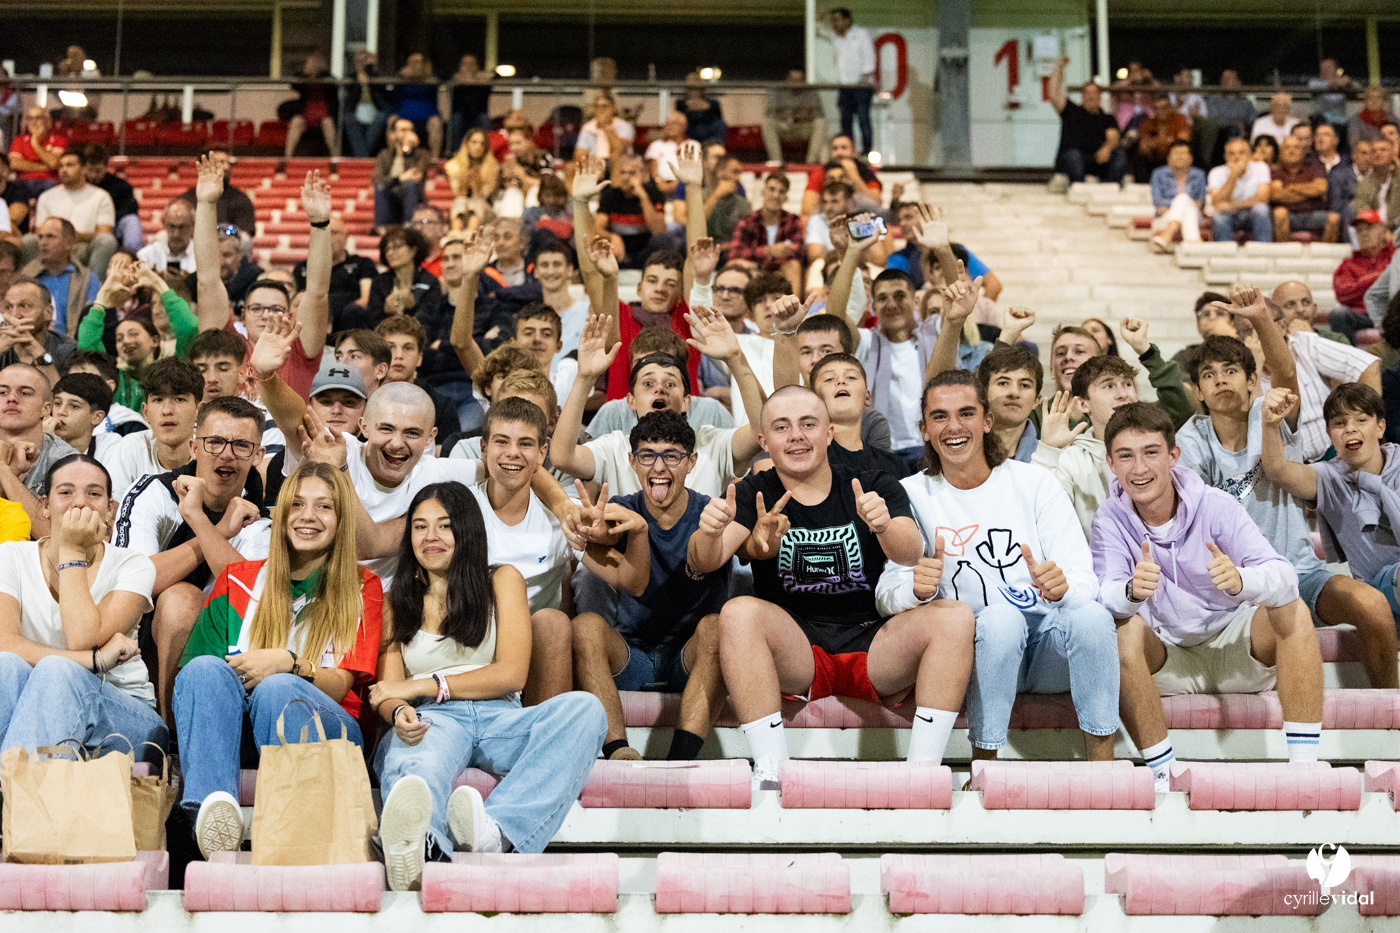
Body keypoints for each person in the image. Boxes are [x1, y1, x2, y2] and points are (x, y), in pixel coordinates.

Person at [691, 386, 973, 790]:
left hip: (872, 641)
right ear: (763, 442)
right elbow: (706, 559)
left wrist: (883, 525)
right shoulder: (756, 491)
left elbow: (910, 551)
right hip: (798, 648)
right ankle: (771, 772)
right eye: (781, 427)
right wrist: (708, 530)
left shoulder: (871, 481)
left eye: (808, 424)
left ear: (829, 434)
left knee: (955, 618)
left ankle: (923, 774)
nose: (796, 436)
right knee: (737, 612)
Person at [370, 481, 604, 890]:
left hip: (501, 716)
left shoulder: (501, 580)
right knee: (415, 761)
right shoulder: (397, 599)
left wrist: (424, 683)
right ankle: (423, 847)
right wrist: (399, 711)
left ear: (467, 531)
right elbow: (389, 690)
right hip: (433, 719)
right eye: (420, 527)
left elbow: (511, 673)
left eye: (444, 526)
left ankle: (496, 833)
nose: (431, 537)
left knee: (585, 711)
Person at [878, 369, 1118, 761]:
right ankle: (984, 763)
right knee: (999, 620)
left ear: (987, 421)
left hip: (1046, 648)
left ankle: (1102, 765)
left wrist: (1063, 586)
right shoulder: (910, 494)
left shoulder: (1035, 483)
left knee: (1091, 616)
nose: (953, 426)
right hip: (971, 654)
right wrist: (916, 589)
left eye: (966, 413)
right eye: (940, 416)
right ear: (923, 429)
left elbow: (1082, 577)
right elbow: (886, 595)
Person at [1097, 402, 1324, 791]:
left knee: (1293, 610)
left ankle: (1303, 771)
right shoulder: (1108, 518)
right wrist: (1132, 591)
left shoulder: (1217, 504)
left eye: (1151, 453)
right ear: (1111, 464)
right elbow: (1105, 597)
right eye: (1126, 456)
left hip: (1237, 644)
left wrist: (1240, 581)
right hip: (1169, 658)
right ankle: (1164, 776)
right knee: (1119, 631)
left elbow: (1284, 575)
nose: (1139, 468)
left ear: (1173, 456)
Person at [172, 460, 381, 859]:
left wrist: (289, 663)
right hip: (238, 730)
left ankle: (298, 833)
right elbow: (199, 683)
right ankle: (209, 819)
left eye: (324, 506)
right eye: (298, 504)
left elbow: (340, 685)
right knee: (203, 670)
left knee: (279, 688)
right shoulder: (236, 579)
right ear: (281, 514)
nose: (308, 517)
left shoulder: (363, 587)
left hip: (329, 729)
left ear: (341, 519)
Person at [1177, 328, 1397, 689]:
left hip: (1301, 575)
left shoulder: (1272, 412)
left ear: (1252, 380)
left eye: (1230, 370)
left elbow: (1287, 374)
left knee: (1372, 605)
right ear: (1198, 392)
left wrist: (1262, 317)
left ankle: (1392, 716)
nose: (1220, 380)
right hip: (1237, 588)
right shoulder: (1190, 441)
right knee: (1278, 627)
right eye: (1208, 374)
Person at [569, 409, 730, 763]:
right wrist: (585, 531)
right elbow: (594, 539)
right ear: (632, 461)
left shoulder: (712, 514)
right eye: (647, 456)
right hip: (632, 652)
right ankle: (618, 752)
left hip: (691, 656)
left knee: (719, 628)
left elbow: (748, 547)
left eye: (671, 456)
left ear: (691, 462)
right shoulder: (618, 512)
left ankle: (678, 759)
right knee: (584, 627)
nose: (658, 467)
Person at [0, 455, 163, 760]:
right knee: (5, 667)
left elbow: (82, 637)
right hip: (38, 710)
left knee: (57, 671)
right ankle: (16, 794)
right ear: (45, 506)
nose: (79, 503)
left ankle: (25, 798)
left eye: (93, 493)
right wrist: (96, 660)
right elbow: (5, 644)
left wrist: (72, 550)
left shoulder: (133, 564)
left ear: (109, 509)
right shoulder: (9, 556)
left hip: (126, 717)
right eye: (65, 492)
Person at [553, 310, 765, 499]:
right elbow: (563, 457)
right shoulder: (613, 448)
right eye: (648, 383)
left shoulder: (712, 443)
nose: (660, 388)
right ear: (631, 400)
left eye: (670, 383)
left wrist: (735, 358)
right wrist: (584, 378)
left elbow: (761, 430)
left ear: (685, 402)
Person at [194, 159, 330, 401]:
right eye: (257, 308)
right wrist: (206, 203)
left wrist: (320, 223)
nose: (266, 315)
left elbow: (317, 292)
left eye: (275, 309)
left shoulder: (300, 352)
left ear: (290, 316)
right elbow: (207, 280)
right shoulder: (228, 346)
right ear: (243, 315)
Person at [1268, 281, 1381, 460]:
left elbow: (1349, 387)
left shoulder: (1333, 339)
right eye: (1290, 305)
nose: (1300, 310)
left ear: (1315, 308)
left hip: (1332, 444)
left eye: (1305, 303)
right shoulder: (1256, 359)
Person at [100, 357, 201, 498]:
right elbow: (112, 513)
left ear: (198, 410)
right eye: (158, 400)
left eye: (179, 399)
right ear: (145, 412)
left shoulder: (212, 453)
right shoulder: (130, 448)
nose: (167, 410)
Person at [27, 152, 115, 280]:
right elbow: (39, 230)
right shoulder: (47, 196)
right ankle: (31, 287)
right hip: (52, 245)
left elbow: (104, 232)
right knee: (28, 240)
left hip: (83, 248)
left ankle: (94, 290)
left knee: (107, 240)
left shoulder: (101, 197)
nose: (63, 170)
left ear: (84, 169)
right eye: (61, 166)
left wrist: (74, 238)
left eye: (70, 165)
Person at [376, 315, 462, 444]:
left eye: (408, 348)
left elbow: (447, 460)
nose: (399, 355)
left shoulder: (440, 406)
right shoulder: (362, 401)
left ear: (420, 358)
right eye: (390, 347)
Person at [343, 225, 441, 332]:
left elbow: (430, 323)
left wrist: (412, 308)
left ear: (413, 250)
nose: (390, 253)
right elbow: (373, 324)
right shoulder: (380, 282)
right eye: (387, 249)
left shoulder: (429, 281)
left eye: (397, 246)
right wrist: (385, 312)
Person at [1047, 57, 1123, 187]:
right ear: (1083, 96)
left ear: (1099, 96)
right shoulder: (1071, 110)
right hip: (1072, 162)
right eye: (1087, 93)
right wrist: (1058, 68)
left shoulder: (1107, 118)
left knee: (1119, 156)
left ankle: (1111, 189)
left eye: (1094, 93)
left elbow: (1113, 138)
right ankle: (1079, 189)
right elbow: (1054, 94)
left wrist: (1107, 147)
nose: (1091, 96)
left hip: (1097, 161)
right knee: (1073, 155)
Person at [727, 172, 802, 296]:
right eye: (771, 189)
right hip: (754, 269)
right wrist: (769, 251)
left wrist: (768, 259)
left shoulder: (793, 221)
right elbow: (735, 254)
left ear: (786, 198)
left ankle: (793, 309)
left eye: (781, 192)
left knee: (794, 265)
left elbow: (797, 252)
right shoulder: (748, 221)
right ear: (763, 192)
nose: (776, 195)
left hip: (780, 272)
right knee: (738, 264)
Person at [293, 215, 376, 325]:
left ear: (346, 237)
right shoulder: (303, 268)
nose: (327, 237)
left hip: (348, 320)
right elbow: (294, 302)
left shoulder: (362, 264)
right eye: (322, 233)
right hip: (311, 322)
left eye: (334, 232)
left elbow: (366, 300)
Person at [21, 218, 99, 336]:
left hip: (74, 345)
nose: (43, 242)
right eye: (40, 237)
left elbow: (94, 320)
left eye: (50, 236)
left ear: (68, 243)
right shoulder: (27, 277)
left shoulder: (87, 279)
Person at [1331, 212, 1395, 342]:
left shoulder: (1395, 255)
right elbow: (1342, 294)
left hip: (1393, 313)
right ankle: (1347, 361)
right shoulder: (1348, 265)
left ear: (1383, 230)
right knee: (1338, 315)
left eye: (1370, 228)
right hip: (1363, 314)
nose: (1364, 234)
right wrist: (1378, 278)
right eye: (1359, 230)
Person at [821, 8, 877, 155]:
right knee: (846, 121)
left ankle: (866, 152)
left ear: (847, 20)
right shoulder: (835, 36)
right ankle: (849, 152)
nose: (834, 23)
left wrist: (865, 76)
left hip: (861, 85)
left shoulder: (861, 34)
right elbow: (818, 29)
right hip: (845, 86)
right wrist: (820, 14)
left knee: (863, 119)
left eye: (837, 20)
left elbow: (869, 56)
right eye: (832, 20)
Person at [976, 344, 1043, 463]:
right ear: (983, 393)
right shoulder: (962, 451)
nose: (1014, 392)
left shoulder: (1047, 457)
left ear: (1036, 401)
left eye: (1025, 385)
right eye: (1003, 383)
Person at [0, 277, 74, 377]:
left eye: (24, 306)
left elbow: (59, 392)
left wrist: (36, 350)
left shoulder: (68, 351)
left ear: (48, 312)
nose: (14, 315)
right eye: (8, 307)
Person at [1271, 135, 1339, 243]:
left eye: (1296, 148)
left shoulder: (1314, 167)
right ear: (1281, 152)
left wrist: (1291, 188)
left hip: (1314, 214)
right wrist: (1308, 190)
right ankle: (1284, 256)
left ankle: (1324, 257)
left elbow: (1321, 188)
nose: (1292, 151)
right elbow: (1277, 195)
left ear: (1302, 151)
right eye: (1287, 148)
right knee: (1279, 213)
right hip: (1289, 215)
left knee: (1334, 218)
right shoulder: (1275, 171)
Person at [175, 148, 255, 236]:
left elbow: (245, 234)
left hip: (228, 245)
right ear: (205, 165)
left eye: (228, 163)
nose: (226, 168)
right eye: (220, 162)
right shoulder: (186, 199)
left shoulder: (241, 199)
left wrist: (225, 231)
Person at [1208, 138, 1272, 243]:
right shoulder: (1216, 172)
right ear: (1226, 157)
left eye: (1241, 153)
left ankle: (1263, 251)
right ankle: (1225, 254)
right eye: (1231, 154)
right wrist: (1233, 176)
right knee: (1219, 215)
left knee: (1262, 209)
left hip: (1251, 212)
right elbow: (1217, 202)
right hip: (1231, 215)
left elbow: (1262, 199)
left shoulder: (1261, 167)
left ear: (1250, 155)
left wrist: (1233, 205)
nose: (1236, 157)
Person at [1149, 140, 1206, 253]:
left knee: (1184, 200)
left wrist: (1178, 204)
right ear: (1168, 158)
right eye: (1176, 153)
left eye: (1183, 153)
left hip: (1195, 216)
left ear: (1190, 158)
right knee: (1186, 205)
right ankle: (1193, 241)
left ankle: (1166, 236)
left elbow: (1200, 203)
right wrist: (1185, 203)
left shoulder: (1199, 175)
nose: (1179, 156)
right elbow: (1159, 204)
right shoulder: (1158, 174)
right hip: (1164, 217)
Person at [374, 119, 431, 229]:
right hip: (391, 203)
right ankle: (380, 228)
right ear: (392, 134)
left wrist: (407, 151)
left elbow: (416, 175)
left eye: (410, 130)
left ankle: (409, 225)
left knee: (410, 183)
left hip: (413, 201)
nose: (407, 133)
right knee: (380, 187)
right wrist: (400, 178)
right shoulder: (384, 155)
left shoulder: (421, 154)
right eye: (403, 130)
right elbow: (380, 180)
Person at [284, 52, 339, 160]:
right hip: (306, 112)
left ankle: (335, 159)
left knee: (327, 123)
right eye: (309, 63)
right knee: (296, 121)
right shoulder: (301, 80)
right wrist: (307, 75)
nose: (311, 65)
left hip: (324, 112)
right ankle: (287, 159)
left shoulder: (327, 78)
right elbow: (293, 86)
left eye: (314, 63)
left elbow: (334, 86)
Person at [763, 70, 825, 165]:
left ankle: (810, 163)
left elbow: (818, 114)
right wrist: (785, 115)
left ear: (804, 80)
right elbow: (770, 113)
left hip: (803, 127)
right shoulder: (778, 89)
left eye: (799, 80)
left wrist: (803, 115)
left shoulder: (811, 91)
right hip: (784, 127)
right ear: (788, 79)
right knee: (768, 122)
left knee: (821, 123)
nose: (796, 83)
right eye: (793, 80)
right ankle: (776, 163)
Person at [388, 53, 443, 158]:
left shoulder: (430, 80)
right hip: (404, 115)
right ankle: (391, 157)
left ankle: (434, 158)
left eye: (418, 62)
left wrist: (423, 77)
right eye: (412, 62)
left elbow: (435, 84)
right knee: (392, 120)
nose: (414, 65)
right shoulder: (402, 80)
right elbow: (390, 95)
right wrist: (400, 77)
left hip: (427, 116)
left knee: (436, 123)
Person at [50, 372, 115, 460]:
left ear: (97, 417)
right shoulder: (36, 446)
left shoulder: (111, 453)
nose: (61, 412)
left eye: (74, 406)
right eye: (57, 403)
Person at [444, 129, 499, 227]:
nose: (478, 147)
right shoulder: (454, 166)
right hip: (462, 208)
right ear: (467, 144)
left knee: (476, 202)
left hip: (485, 212)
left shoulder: (492, 167)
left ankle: (471, 236)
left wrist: (476, 184)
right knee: (460, 201)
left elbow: (487, 197)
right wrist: (464, 179)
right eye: (474, 142)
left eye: (482, 144)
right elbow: (457, 193)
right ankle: (455, 236)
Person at [8, 107, 67, 189]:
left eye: (38, 118)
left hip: (49, 183)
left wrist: (35, 144)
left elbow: (54, 163)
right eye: (30, 118)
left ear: (47, 121)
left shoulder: (58, 140)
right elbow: (15, 164)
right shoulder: (19, 140)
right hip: (23, 183)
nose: (33, 122)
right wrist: (44, 167)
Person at [1351, 137, 1400, 235]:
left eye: (1383, 150)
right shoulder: (1365, 182)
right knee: (1354, 229)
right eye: (1374, 151)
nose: (1378, 153)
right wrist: (1379, 229)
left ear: (1392, 154)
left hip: (1397, 230)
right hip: (1375, 231)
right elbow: (1361, 206)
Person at [449, 55, 494, 154]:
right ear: (460, 66)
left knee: (484, 120)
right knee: (456, 120)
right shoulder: (456, 78)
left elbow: (489, 87)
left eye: (471, 64)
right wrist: (466, 81)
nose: (468, 67)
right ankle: (456, 152)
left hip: (478, 113)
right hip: (460, 113)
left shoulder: (483, 79)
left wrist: (477, 80)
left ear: (476, 66)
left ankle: (486, 152)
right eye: (465, 64)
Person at [138, 199, 196, 275]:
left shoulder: (202, 258)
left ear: (192, 226)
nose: (176, 234)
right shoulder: (146, 256)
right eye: (172, 226)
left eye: (182, 227)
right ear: (164, 224)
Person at [576, 91, 635, 163]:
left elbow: (620, 149)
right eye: (597, 106)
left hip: (617, 164)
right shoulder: (588, 127)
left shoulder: (624, 126)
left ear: (613, 108)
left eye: (604, 106)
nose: (600, 110)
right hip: (595, 163)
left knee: (617, 156)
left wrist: (606, 127)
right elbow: (579, 154)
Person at [1205, 70, 1256, 144]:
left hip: (1240, 137)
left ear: (1238, 83)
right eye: (1223, 79)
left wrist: (1245, 128)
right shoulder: (1213, 100)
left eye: (1229, 79)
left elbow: (1253, 121)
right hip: (1219, 138)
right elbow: (1213, 121)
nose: (1225, 82)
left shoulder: (1246, 102)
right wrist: (1237, 124)